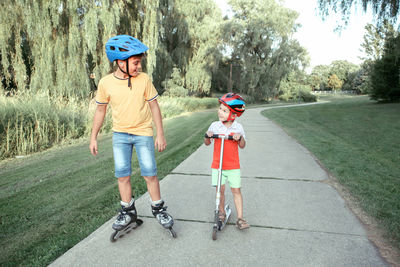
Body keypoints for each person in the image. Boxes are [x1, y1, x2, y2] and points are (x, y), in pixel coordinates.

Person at [89, 34, 174, 232]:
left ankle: (158, 208)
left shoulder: (143, 80)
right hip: (120, 135)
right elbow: (100, 110)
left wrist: (160, 134)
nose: (139, 67)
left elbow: (154, 107)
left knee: (150, 173)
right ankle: (128, 211)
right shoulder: (105, 83)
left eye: (139, 63)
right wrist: (93, 137)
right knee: (122, 175)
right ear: (120, 62)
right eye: (135, 63)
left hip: (143, 133)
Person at [204, 93, 250, 230]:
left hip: (233, 166)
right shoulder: (215, 126)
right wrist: (208, 136)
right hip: (218, 166)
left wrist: (239, 138)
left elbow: (243, 145)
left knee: (236, 190)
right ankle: (222, 212)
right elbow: (207, 143)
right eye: (220, 108)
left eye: (224, 110)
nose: (220, 112)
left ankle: (240, 218)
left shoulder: (238, 128)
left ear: (234, 115)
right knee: (220, 190)